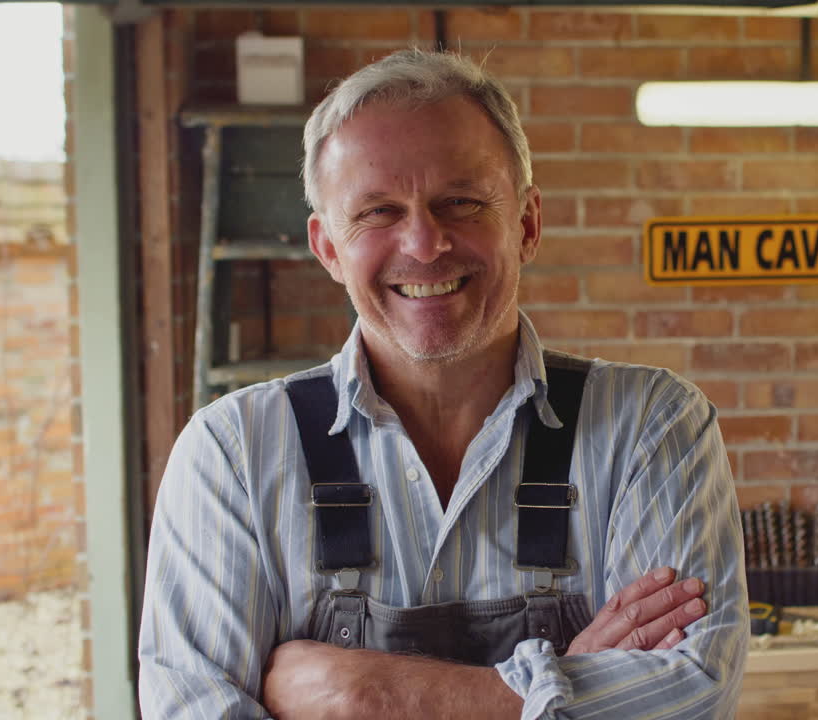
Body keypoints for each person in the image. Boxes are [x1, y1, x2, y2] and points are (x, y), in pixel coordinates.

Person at [138, 48, 747, 719]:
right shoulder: (234, 457)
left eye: (460, 201)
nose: (425, 244)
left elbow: (690, 695)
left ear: (527, 224)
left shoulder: (653, 427)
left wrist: (362, 695)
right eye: (377, 212)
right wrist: (567, 685)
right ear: (328, 249)